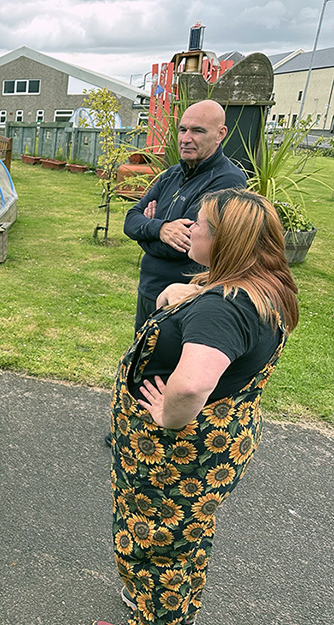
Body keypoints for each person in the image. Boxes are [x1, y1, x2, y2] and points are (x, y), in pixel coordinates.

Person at [97, 188, 299, 625]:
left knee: (154, 547)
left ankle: (155, 617)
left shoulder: (221, 311)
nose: (191, 227)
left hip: (176, 457)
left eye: (201, 224)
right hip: (221, 446)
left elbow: (189, 388)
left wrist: (166, 415)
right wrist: (181, 291)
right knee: (186, 540)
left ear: (226, 241)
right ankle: (175, 612)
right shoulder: (264, 289)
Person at [123, 99, 246, 333]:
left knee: (167, 367)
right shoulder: (172, 174)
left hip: (185, 298)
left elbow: (185, 244)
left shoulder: (227, 181)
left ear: (221, 134)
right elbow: (131, 220)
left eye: (198, 131)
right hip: (148, 290)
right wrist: (160, 229)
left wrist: (146, 229)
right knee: (140, 361)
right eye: (183, 129)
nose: (186, 138)